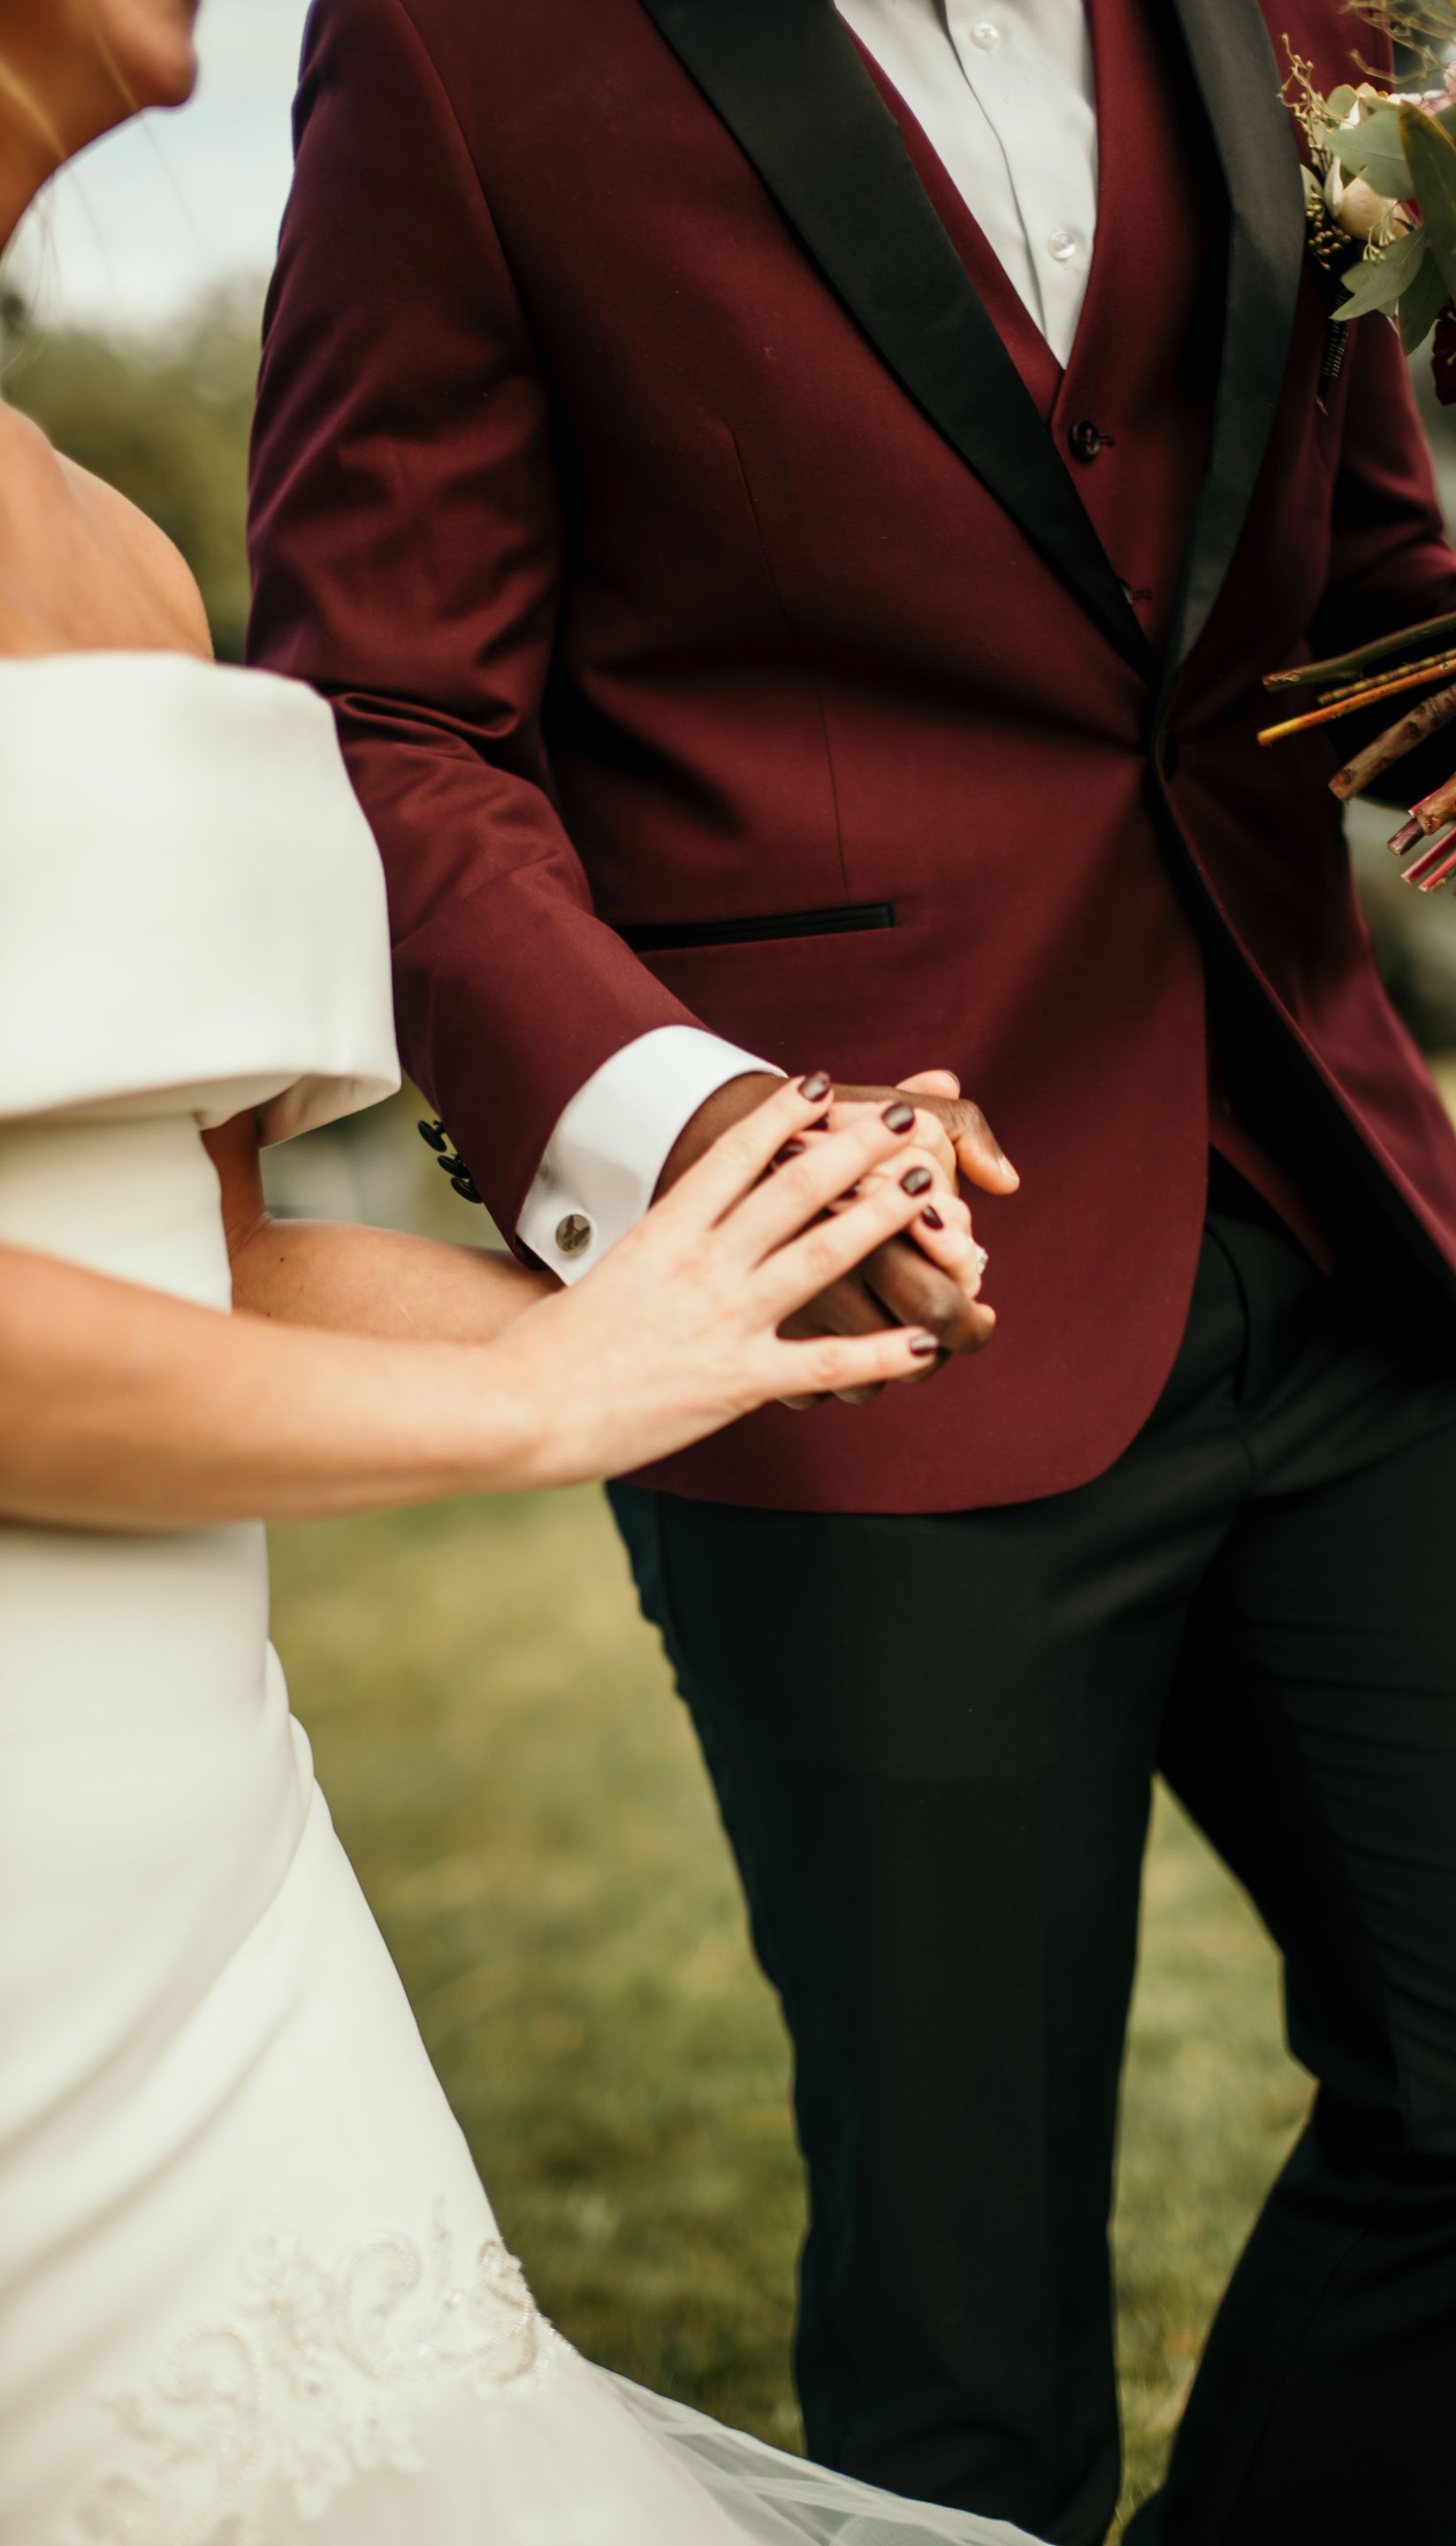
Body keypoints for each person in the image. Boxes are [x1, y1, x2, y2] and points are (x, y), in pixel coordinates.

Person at [248, 1, 1456, 2542]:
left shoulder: (1300, 23)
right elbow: (387, 716)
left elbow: (1353, 594)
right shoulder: (469, 48)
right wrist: (706, 1136)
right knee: (966, 2350)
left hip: (1339, 1223)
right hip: (857, 1301)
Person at [0, 5, 1052, 2539]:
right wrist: (543, 1402)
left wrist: (740, 1286)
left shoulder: (105, 548)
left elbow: (198, 1261)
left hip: (204, 1898)